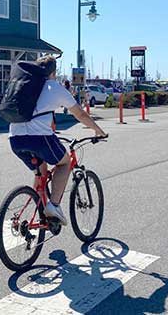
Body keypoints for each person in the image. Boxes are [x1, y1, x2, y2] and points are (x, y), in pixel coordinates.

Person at [9, 56, 106, 226]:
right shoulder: (54, 87)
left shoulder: (25, 84)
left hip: (15, 138)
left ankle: (39, 211)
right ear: (53, 72)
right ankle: (53, 205)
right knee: (64, 163)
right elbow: (80, 114)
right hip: (39, 138)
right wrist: (98, 130)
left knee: (41, 172)